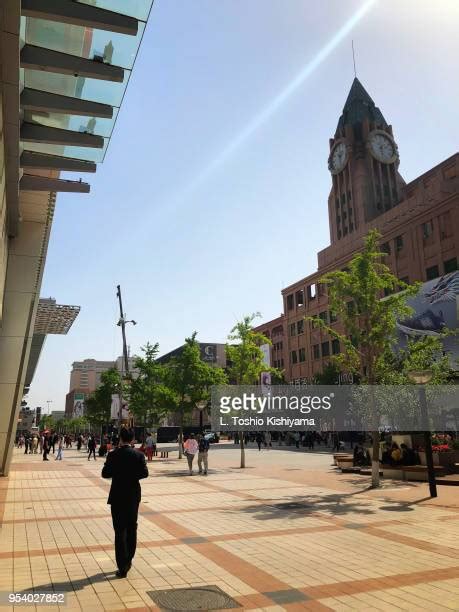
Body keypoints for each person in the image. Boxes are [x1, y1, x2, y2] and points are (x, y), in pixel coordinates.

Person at [102, 427, 148, 578]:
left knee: (119, 531)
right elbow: (144, 473)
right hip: (133, 496)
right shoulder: (138, 455)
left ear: (120, 438)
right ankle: (129, 559)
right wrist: (132, 475)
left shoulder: (113, 455)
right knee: (132, 527)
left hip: (117, 496)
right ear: (133, 439)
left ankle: (122, 566)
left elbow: (105, 473)